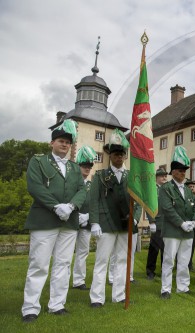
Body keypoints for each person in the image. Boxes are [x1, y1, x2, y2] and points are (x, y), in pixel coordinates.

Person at [21, 120, 86, 322]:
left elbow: (82, 190)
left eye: (68, 142)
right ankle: (30, 308)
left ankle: (57, 304)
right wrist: (56, 206)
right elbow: (35, 187)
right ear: (52, 143)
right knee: (39, 264)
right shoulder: (38, 161)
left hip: (68, 223)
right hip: (44, 220)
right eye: (61, 141)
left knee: (63, 264)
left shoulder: (75, 168)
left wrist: (72, 206)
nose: (65, 145)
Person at [89, 129, 140, 307]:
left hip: (126, 224)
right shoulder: (100, 176)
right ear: (110, 155)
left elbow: (139, 201)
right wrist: (94, 222)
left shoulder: (132, 177)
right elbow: (93, 200)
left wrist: (136, 217)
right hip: (106, 224)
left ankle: (118, 295)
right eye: (115, 153)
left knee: (122, 261)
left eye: (121, 154)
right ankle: (97, 298)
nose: (119, 157)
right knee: (102, 261)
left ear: (125, 156)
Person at [158, 147, 195, 299]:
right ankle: (165, 289)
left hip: (188, 231)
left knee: (184, 260)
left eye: (184, 171)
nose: (183, 173)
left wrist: (194, 221)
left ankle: (183, 287)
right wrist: (181, 223)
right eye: (180, 170)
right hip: (173, 230)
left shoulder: (188, 190)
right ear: (173, 171)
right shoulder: (166, 188)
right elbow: (167, 209)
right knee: (169, 260)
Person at [72, 146, 98, 290]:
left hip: (86, 223)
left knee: (83, 252)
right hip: (70, 222)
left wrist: (88, 216)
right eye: (84, 166)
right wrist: (76, 215)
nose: (87, 169)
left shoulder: (91, 185)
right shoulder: (71, 183)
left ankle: (78, 281)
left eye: (89, 166)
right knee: (66, 253)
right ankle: (61, 281)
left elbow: (95, 203)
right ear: (78, 166)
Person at [146, 168, 168, 280]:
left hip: (167, 223)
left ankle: (165, 270)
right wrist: (151, 221)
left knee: (166, 248)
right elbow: (149, 205)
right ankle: (150, 271)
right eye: (162, 176)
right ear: (156, 178)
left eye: (165, 176)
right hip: (157, 222)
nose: (164, 178)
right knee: (154, 248)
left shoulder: (168, 189)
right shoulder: (152, 189)